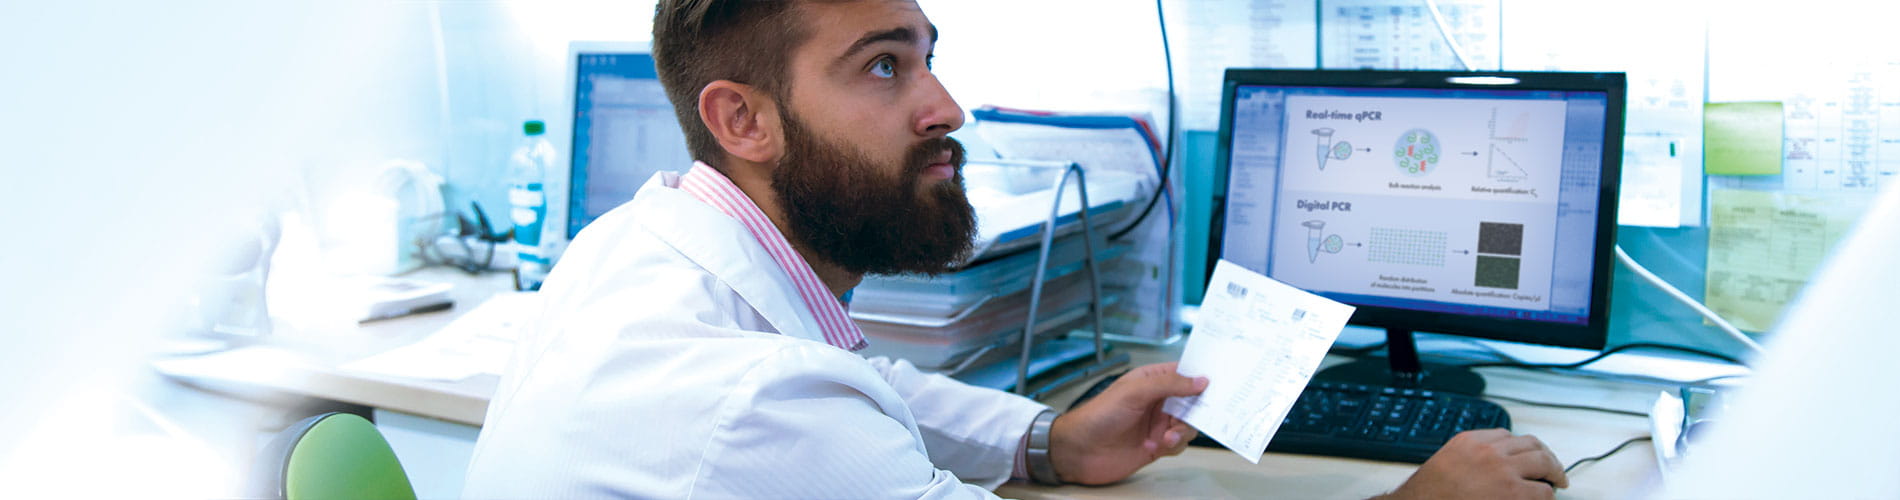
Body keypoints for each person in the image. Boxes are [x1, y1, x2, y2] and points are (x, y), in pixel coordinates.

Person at [462, 1, 1568, 498]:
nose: (945, 104)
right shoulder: (745, 408)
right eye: (883, 66)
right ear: (741, 119)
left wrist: (1049, 438)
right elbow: (802, 405)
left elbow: (860, 383)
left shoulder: (642, 240)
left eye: (927, 54)